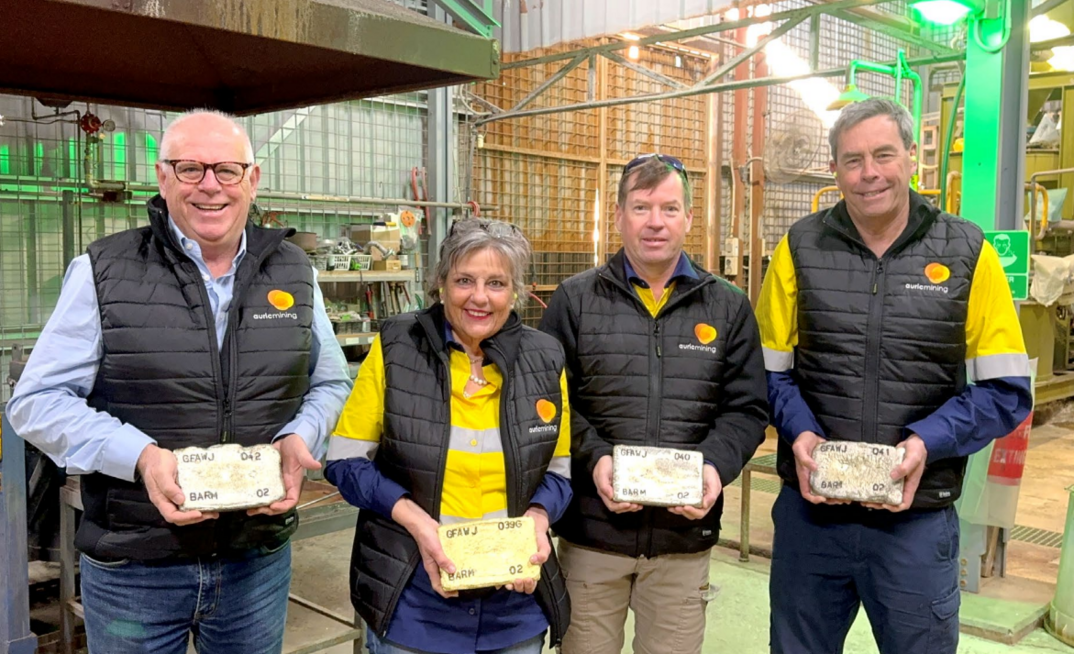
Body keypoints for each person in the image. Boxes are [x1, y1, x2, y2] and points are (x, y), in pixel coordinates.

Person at [7, 110, 352, 654]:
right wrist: (141, 456)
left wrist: (301, 438)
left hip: (254, 563)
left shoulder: (294, 272)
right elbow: (36, 401)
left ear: (252, 180)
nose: (210, 185)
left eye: (227, 170)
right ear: (163, 178)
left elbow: (331, 384)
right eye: (190, 168)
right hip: (135, 567)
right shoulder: (102, 269)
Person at [756, 98, 1033, 654]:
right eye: (852, 159)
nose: (869, 173)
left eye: (884, 154)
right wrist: (803, 434)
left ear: (913, 158)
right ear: (834, 169)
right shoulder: (798, 248)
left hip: (916, 519)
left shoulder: (967, 253)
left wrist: (925, 443)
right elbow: (765, 375)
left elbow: (1005, 390)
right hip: (814, 517)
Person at [538, 153, 769, 654]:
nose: (655, 222)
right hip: (592, 535)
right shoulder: (574, 301)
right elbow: (547, 405)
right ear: (619, 215)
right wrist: (594, 458)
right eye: (641, 207)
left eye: (669, 208)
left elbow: (747, 408)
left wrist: (713, 466)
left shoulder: (727, 306)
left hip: (683, 540)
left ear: (689, 218)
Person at [325, 218, 572, 654]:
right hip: (414, 599)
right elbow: (345, 462)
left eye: (496, 283)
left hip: (512, 606)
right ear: (440, 283)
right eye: (464, 280)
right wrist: (416, 522)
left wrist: (537, 518)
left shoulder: (545, 357)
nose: (479, 297)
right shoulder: (397, 348)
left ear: (515, 291)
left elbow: (559, 468)